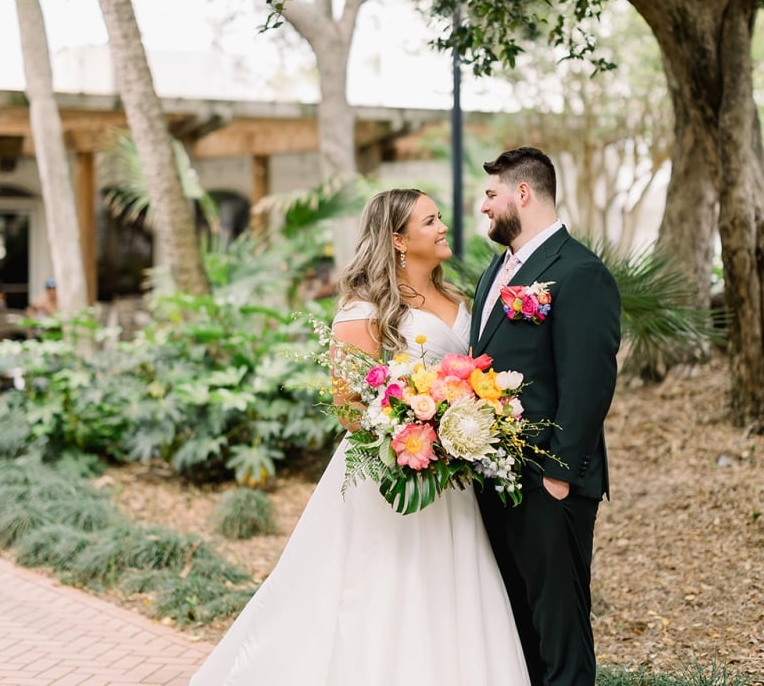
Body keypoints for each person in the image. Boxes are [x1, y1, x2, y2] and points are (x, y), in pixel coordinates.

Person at [189, 188, 530, 686]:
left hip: (454, 475)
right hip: (392, 471)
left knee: (451, 586)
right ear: (397, 239)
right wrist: (418, 426)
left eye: (439, 218)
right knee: (386, 591)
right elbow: (349, 407)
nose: (442, 227)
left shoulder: (459, 297)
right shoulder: (363, 309)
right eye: (430, 221)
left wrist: (467, 422)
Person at [470, 147, 621, 686]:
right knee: (519, 631)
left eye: (491, 194)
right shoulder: (495, 272)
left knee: (561, 636)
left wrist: (558, 475)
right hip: (496, 480)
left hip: (547, 485)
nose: (483, 206)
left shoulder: (580, 272)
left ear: (523, 194)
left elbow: (589, 382)